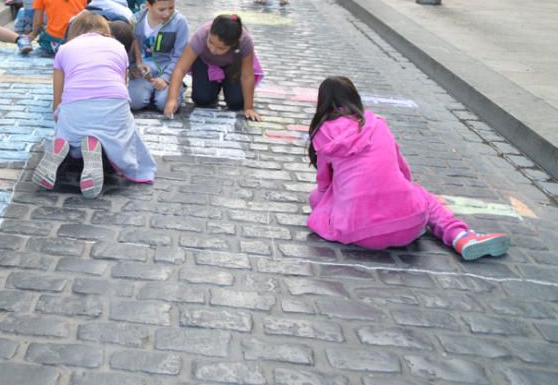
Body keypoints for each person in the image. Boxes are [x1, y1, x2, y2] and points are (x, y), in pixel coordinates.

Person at [307, 76, 510, 260]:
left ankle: (371, 216)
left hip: (359, 232)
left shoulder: (323, 134)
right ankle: (459, 235)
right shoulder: (376, 124)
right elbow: (403, 171)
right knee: (420, 195)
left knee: (318, 198)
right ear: (354, 98)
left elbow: (323, 187)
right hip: (408, 226)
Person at [33, 13, 157, 198]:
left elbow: (57, 98)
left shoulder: (65, 49)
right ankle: (94, 144)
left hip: (76, 113)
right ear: (106, 31)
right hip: (113, 110)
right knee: (125, 132)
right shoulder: (118, 47)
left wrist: (60, 118)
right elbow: (122, 87)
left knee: (68, 127)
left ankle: (65, 143)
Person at [164, 13, 262, 121]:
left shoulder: (245, 41)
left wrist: (249, 108)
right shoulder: (201, 36)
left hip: (232, 67)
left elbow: (247, 76)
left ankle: (227, 85)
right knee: (202, 100)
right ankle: (212, 88)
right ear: (210, 32)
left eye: (221, 48)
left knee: (237, 103)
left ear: (233, 45)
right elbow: (180, 68)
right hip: (205, 63)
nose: (213, 50)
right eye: (210, 42)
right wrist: (172, 100)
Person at [128, 0, 189, 112]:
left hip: (167, 71)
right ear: (148, 5)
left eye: (171, 7)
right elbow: (129, 50)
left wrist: (166, 78)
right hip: (142, 74)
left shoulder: (180, 22)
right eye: (161, 9)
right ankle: (148, 93)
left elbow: (180, 56)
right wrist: (133, 67)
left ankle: (169, 91)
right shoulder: (135, 21)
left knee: (163, 104)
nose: (167, 13)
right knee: (134, 102)